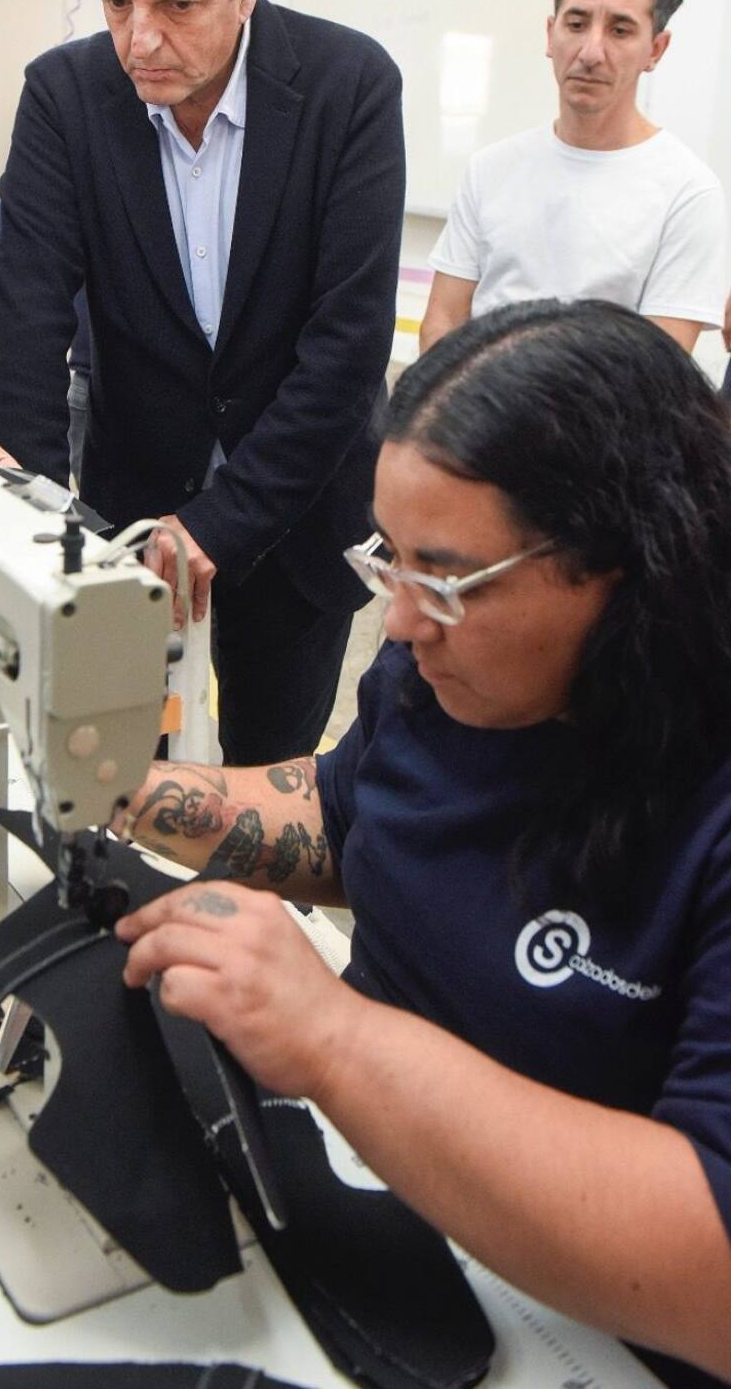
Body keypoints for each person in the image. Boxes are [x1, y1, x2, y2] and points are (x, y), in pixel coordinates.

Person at [116, 299, 731, 1388]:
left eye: (443, 578)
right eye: (387, 561)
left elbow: (714, 1271)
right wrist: (125, 792)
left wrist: (334, 1038)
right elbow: (351, 817)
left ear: (628, 563)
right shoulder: (448, 673)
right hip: (385, 1222)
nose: (399, 622)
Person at [0, 0, 405, 766]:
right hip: (125, 523)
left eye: (178, 4)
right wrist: (43, 535)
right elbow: (27, 328)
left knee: (269, 785)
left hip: (299, 526)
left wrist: (215, 525)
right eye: (115, 1)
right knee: (124, 781)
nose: (142, 40)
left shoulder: (349, 89)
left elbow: (345, 351)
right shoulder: (64, 95)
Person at [420, 0, 725, 355]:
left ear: (655, 49)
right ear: (551, 33)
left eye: (620, 30)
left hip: (604, 420)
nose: (590, 51)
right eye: (577, 24)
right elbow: (444, 321)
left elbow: (655, 372)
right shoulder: (490, 169)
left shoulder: (689, 193)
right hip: (478, 416)